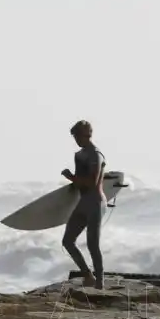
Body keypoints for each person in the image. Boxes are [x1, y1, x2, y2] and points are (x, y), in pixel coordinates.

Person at [61, 119, 107, 289]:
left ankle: (100, 283)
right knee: (67, 241)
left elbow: (92, 182)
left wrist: (70, 177)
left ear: (87, 135)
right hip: (83, 203)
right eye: (75, 137)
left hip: (95, 202)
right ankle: (88, 275)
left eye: (78, 136)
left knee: (92, 244)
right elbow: (83, 179)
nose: (76, 140)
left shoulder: (95, 154)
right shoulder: (80, 155)